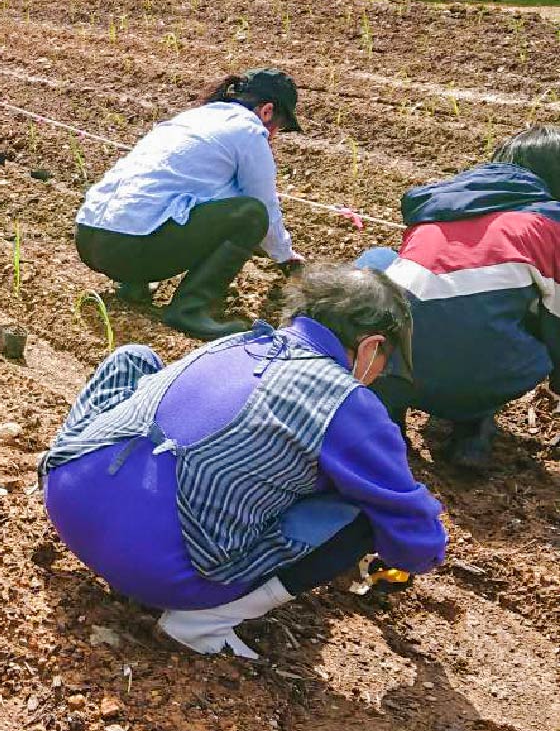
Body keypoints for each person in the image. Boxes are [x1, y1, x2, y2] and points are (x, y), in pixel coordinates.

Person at [42, 265, 446, 658]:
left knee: (134, 359)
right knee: (364, 510)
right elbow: (411, 528)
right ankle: (202, 624)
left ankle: (57, 472)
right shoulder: (347, 402)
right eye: (384, 362)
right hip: (159, 572)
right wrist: (411, 557)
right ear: (371, 347)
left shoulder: (236, 342)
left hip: (66, 500)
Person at [357, 126, 560, 469]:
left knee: (379, 262)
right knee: (527, 305)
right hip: (482, 379)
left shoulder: (438, 209)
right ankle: (474, 423)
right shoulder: (547, 225)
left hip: (390, 371)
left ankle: (387, 414)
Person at [74, 69, 307, 340]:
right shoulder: (249, 131)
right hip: (127, 250)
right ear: (267, 111)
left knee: (165, 197)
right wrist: (285, 256)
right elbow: (263, 204)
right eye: (278, 127)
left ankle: (133, 285)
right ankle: (189, 309)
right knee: (252, 215)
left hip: (88, 238)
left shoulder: (195, 118)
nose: (275, 136)